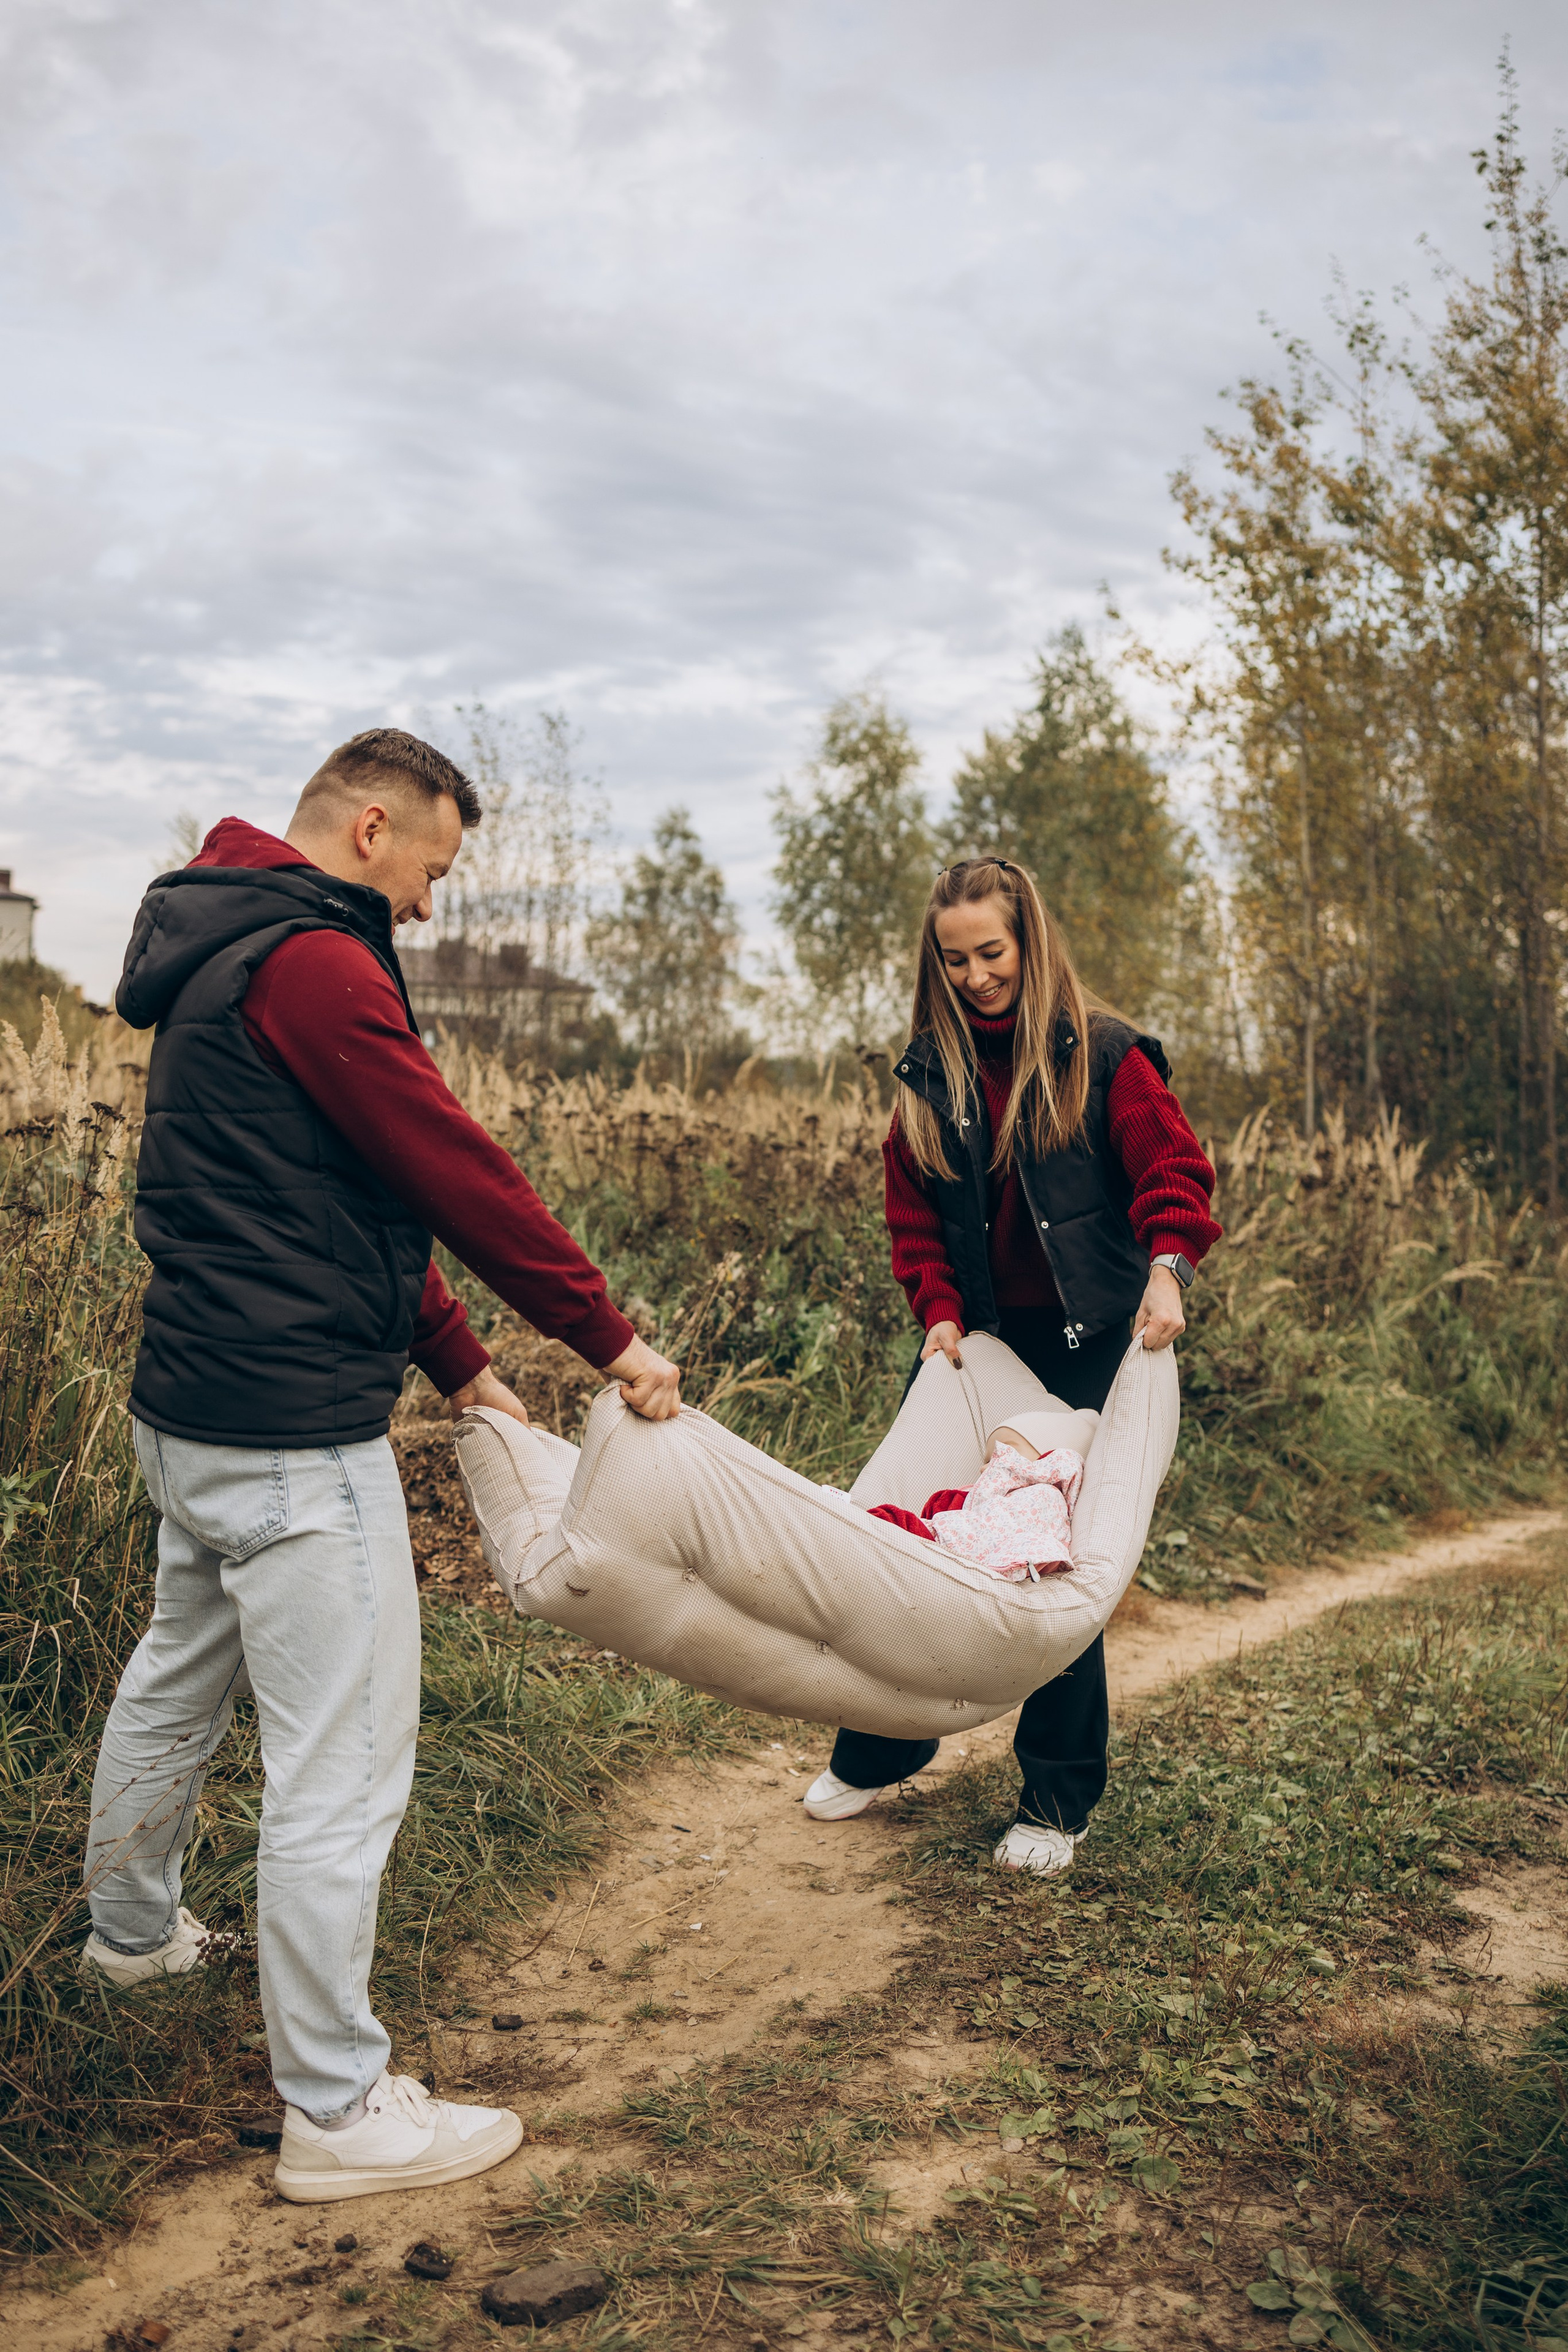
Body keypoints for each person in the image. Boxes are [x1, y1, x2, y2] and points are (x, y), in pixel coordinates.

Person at [80, 728, 680, 2205]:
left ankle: (130, 1941)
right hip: (295, 1439)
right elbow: (448, 1166)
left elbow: (328, 1195)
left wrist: (462, 1364)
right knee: (342, 1770)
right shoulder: (319, 963)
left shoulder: (223, 947)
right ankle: (339, 2111)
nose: (428, 901)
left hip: (192, 1412)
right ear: (369, 829)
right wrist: (605, 1337)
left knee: (174, 1675)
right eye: (432, 868)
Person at [802, 855, 1219, 1874]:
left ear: (1030, 943)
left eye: (992, 952)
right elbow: (913, 1218)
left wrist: (1169, 1271)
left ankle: (1056, 1799)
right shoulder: (929, 1074)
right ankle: (881, 1749)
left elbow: (1174, 1172)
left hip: (1094, 1343)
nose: (977, 975)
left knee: (1050, 1558)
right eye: (956, 960)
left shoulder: (1106, 1056)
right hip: (980, 1346)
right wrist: (938, 1313)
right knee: (915, 1538)